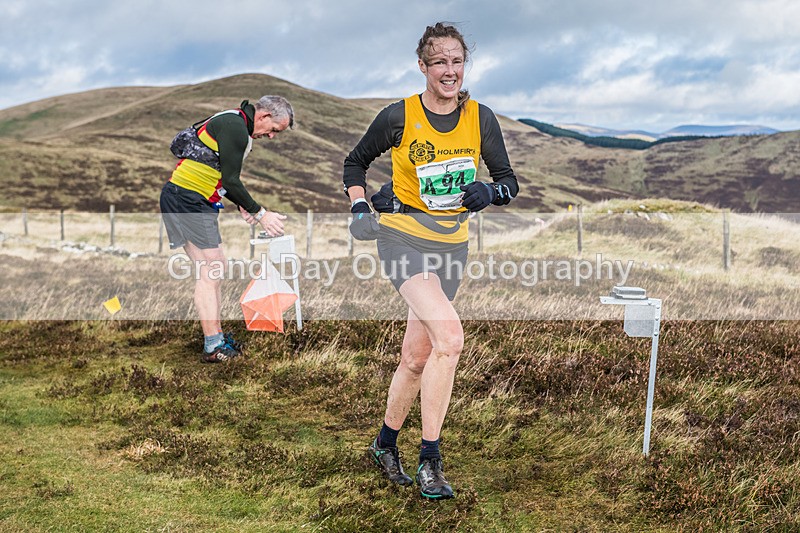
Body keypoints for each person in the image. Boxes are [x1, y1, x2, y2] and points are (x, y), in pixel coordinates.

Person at [343, 23, 519, 499]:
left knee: (417, 356)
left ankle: (384, 445)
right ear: (422, 66)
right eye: (439, 61)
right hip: (402, 239)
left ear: (465, 65)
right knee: (450, 338)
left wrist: (490, 190)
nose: (449, 70)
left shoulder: (481, 119)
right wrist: (360, 205)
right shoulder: (397, 116)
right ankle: (430, 461)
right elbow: (354, 163)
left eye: (457, 61)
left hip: (452, 246)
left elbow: (508, 182)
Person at [160, 95, 294, 363]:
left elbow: (221, 175)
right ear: (264, 116)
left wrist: (242, 204)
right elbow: (232, 180)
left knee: (211, 270)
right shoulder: (235, 126)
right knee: (213, 268)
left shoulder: (236, 122)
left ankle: (216, 337)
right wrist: (261, 214)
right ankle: (213, 345)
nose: (271, 137)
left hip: (187, 196)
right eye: (273, 130)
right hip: (188, 198)